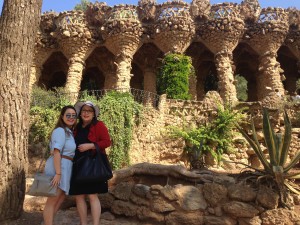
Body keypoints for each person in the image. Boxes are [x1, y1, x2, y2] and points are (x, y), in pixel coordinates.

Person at [69, 101, 111, 225]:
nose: (86, 113)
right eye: (84, 110)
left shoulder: (99, 125)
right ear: (80, 113)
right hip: (77, 165)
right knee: (79, 196)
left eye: (89, 111)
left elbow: (107, 142)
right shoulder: (76, 127)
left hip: (92, 165)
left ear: (94, 114)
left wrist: (91, 145)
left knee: (92, 196)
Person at [43, 105, 77, 225]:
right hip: (59, 167)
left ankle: (48, 222)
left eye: (74, 115)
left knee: (60, 198)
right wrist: (58, 173)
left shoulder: (69, 132)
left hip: (65, 166)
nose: (71, 117)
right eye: (68, 115)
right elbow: (56, 151)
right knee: (52, 201)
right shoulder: (60, 131)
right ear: (62, 117)